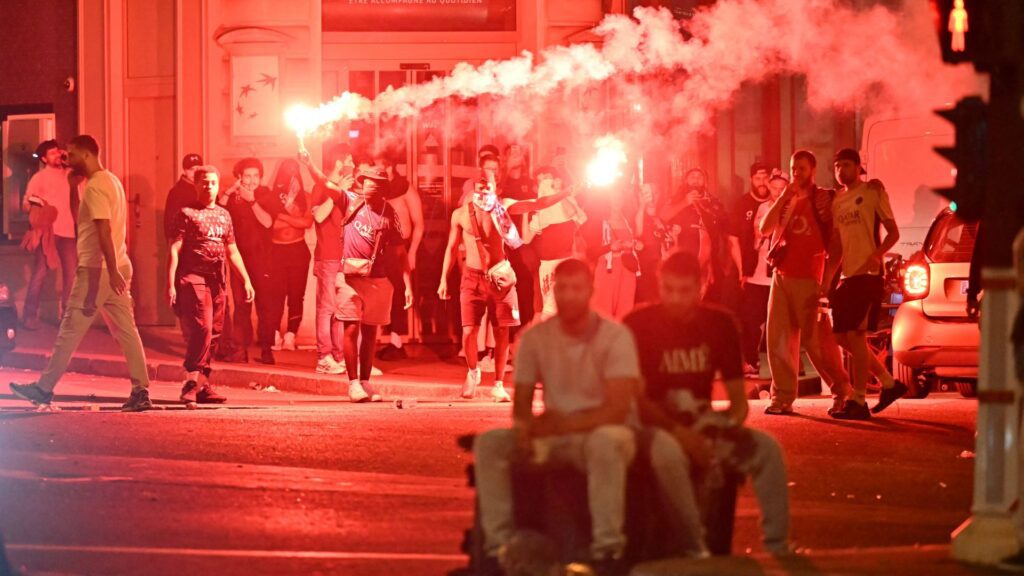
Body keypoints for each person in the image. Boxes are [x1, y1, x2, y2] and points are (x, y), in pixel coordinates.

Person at [473, 259, 639, 574]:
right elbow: (521, 402)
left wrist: (564, 424)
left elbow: (618, 408)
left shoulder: (615, 336)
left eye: (577, 288)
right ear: (553, 290)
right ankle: (501, 550)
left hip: (602, 431)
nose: (569, 295)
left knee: (606, 442)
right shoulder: (536, 338)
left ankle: (607, 551)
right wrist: (524, 430)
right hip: (557, 435)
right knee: (491, 444)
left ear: (590, 290)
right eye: (562, 288)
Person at [624, 251, 792, 556]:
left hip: (702, 422)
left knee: (767, 449)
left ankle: (777, 544)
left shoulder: (719, 324)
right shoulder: (638, 324)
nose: (675, 298)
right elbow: (634, 400)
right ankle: (694, 543)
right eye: (668, 289)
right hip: (653, 426)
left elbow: (738, 403)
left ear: (700, 287)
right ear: (659, 285)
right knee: (670, 454)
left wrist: (718, 428)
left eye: (684, 290)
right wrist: (682, 435)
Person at [9, 135, 152, 412]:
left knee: (69, 331)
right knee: (127, 332)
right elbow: (80, 220)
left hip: (97, 270)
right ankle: (141, 390)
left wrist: (108, 271)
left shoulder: (98, 187)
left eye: (72, 155)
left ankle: (43, 389)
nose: (67, 160)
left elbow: (103, 232)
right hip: (116, 267)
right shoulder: (110, 181)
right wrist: (74, 189)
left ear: (87, 155)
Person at [441, 171, 569, 401]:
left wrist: (569, 191)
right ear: (473, 188)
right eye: (479, 185)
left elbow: (537, 203)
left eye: (487, 185)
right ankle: (473, 372)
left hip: (501, 277)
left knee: (502, 331)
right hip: (472, 277)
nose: (483, 189)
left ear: (494, 186)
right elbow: (451, 248)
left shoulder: (504, 207)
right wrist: (443, 278)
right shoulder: (461, 214)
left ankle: (498, 384)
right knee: (469, 331)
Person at [758, 150, 851, 416]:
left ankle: (841, 391)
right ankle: (782, 396)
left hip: (810, 276)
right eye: (793, 168)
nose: (796, 173)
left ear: (813, 169)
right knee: (778, 339)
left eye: (801, 168)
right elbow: (765, 229)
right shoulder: (786, 200)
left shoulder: (824, 198)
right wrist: (782, 198)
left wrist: (827, 279)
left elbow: (836, 240)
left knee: (816, 342)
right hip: (782, 276)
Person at [823, 148, 907, 419]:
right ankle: (889, 383)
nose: (841, 171)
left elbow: (893, 232)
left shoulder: (872, 192)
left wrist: (877, 254)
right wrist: (826, 281)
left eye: (847, 165)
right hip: (848, 277)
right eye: (837, 166)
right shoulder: (837, 201)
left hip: (870, 276)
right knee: (841, 337)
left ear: (859, 167)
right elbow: (836, 245)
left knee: (857, 336)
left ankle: (858, 400)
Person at [167, 166, 255, 405]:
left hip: (218, 280)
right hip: (193, 277)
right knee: (202, 328)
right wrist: (171, 283)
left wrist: (246, 279)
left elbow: (232, 250)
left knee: (215, 332)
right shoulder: (186, 213)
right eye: (204, 183)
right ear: (196, 185)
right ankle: (190, 381)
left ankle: (203, 385)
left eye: (213, 183)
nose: (209, 187)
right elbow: (175, 248)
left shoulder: (224, 215)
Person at [332, 166, 412, 402]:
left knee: (370, 332)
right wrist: (308, 164)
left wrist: (408, 283)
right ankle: (352, 383)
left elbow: (400, 252)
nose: (368, 186)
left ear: (382, 189)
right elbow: (328, 187)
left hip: (378, 279)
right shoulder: (350, 201)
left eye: (374, 183)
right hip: (349, 278)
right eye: (366, 182)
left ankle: (365, 382)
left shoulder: (389, 214)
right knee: (351, 327)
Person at [255, 159, 313, 364]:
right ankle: (275, 335)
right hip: (276, 250)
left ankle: (291, 335)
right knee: (275, 296)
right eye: (287, 172)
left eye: (294, 172)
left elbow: (307, 222)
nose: (290, 176)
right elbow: (272, 225)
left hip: (298, 249)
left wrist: (284, 217)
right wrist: (287, 217)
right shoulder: (271, 197)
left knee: (297, 295)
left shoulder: (305, 197)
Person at [304, 147, 356, 375]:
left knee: (340, 310)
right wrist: (338, 193)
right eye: (349, 160)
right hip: (328, 257)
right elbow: (318, 215)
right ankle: (323, 357)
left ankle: (339, 355)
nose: (352, 165)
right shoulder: (321, 188)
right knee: (326, 308)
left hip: (345, 258)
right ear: (338, 163)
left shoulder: (345, 189)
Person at [217, 157, 274, 363]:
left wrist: (252, 201)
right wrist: (228, 193)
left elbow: (268, 222)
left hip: (264, 258)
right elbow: (219, 214)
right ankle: (241, 350)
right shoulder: (233, 197)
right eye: (247, 176)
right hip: (239, 258)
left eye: (255, 176)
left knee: (264, 305)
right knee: (241, 305)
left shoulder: (266, 194)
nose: (251, 180)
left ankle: (267, 350)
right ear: (239, 177)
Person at [21, 140, 78, 330]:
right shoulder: (39, 177)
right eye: (52, 153)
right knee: (40, 273)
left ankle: (67, 319)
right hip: (48, 232)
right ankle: (29, 315)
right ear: (44, 158)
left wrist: (68, 157)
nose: (56, 155)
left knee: (70, 276)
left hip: (69, 232)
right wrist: (39, 206)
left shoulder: (70, 174)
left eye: (57, 151)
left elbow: (84, 174)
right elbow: (26, 203)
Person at [376, 152, 423, 362]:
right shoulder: (377, 190)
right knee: (381, 294)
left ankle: (397, 342)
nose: (381, 171)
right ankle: (381, 340)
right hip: (381, 248)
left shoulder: (405, 188)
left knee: (400, 294)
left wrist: (411, 252)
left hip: (400, 248)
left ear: (392, 167)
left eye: (384, 166)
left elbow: (419, 223)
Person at [730, 162, 774, 374]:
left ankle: (787, 363)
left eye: (766, 178)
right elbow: (733, 239)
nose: (763, 183)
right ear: (751, 180)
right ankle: (750, 360)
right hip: (753, 273)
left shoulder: (779, 203)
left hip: (777, 274)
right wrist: (741, 271)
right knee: (752, 319)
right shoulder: (742, 204)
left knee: (777, 321)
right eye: (758, 178)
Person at [529, 166, 586, 320]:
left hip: (565, 264)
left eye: (546, 179)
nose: (544, 184)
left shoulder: (568, 201)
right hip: (546, 266)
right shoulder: (540, 210)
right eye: (540, 181)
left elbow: (573, 215)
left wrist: (561, 195)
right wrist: (528, 210)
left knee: (552, 311)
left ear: (556, 181)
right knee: (550, 310)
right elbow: (526, 237)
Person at [586, 187, 641, 319]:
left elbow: (636, 239)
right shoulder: (598, 221)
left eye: (620, 197)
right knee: (603, 307)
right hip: (607, 269)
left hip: (627, 269)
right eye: (614, 197)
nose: (618, 201)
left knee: (626, 308)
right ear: (608, 199)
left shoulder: (627, 220)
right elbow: (590, 251)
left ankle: (621, 337)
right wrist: (610, 247)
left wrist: (637, 244)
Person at [164, 152, 203, 242]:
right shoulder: (176, 192)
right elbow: (169, 221)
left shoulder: (206, 187)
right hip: (185, 240)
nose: (194, 172)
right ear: (184, 170)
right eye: (191, 169)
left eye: (197, 169)